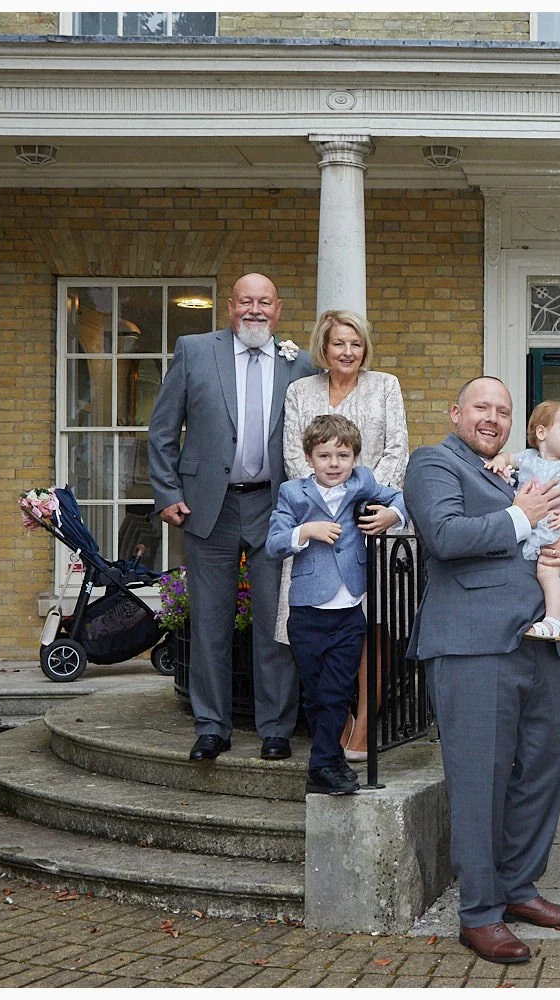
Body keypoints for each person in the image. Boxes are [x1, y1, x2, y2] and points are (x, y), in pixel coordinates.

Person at [403, 376, 560, 965]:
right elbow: (447, 536)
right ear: (456, 412)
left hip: (537, 640)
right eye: (482, 407)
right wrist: (520, 514)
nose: (493, 418)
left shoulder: (507, 471)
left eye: (503, 411)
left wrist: (555, 551)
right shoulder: (433, 463)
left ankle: (517, 889)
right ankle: (479, 913)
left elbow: (533, 541)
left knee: (543, 767)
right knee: (480, 780)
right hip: (472, 645)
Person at [148, 272, 316, 762]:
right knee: (209, 624)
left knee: (273, 623)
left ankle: (276, 729)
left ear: (279, 309)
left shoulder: (300, 363)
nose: (255, 310)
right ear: (230, 306)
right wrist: (166, 492)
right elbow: (162, 430)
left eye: (265, 302)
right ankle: (211, 726)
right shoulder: (195, 351)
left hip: (274, 506)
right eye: (246, 301)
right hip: (207, 507)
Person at [280, 309, 409, 761]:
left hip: (372, 524)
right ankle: (333, 722)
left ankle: (364, 725)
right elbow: (295, 457)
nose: (348, 352)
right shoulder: (300, 391)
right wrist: (323, 505)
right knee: (321, 631)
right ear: (324, 347)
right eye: (339, 343)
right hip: (318, 529)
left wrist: (370, 504)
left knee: (373, 627)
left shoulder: (385, 385)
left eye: (355, 343)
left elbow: (397, 448)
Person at [265, 414, 405, 796]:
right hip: (308, 611)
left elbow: (400, 496)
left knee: (340, 690)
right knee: (316, 693)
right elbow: (273, 542)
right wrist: (306, 531)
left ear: (355, 458)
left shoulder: (362, 483)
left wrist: (393, 514)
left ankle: (324, 764)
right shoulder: (293, 493)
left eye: (342, 455)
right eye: (324, 455)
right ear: (310, 458)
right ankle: (327, 762)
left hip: (349, 611)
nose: (333, 463)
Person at [484, 400, 560, 640]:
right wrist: (500, 461)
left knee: (547, 572)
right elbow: (508, 458)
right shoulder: (528, 458)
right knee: (530, 572)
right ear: (541, 432)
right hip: (534, 528)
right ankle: (538, 617)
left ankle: (555, 621)